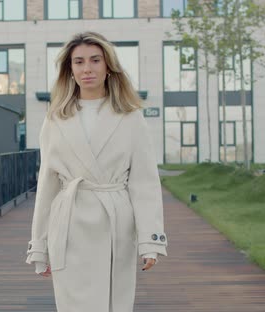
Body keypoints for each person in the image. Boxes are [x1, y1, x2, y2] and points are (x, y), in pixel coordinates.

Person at [26, 31, 168, 312]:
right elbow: (47, 185)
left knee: (113, 303)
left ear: (108, 66)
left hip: (115, 224)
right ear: (70, 69)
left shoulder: (130, 116)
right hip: (68, 225)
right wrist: (39, 245)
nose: (87, 68)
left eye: (95, 60)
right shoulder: (55, 118)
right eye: (78, 62)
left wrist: (150, 240)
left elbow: (144, 183)